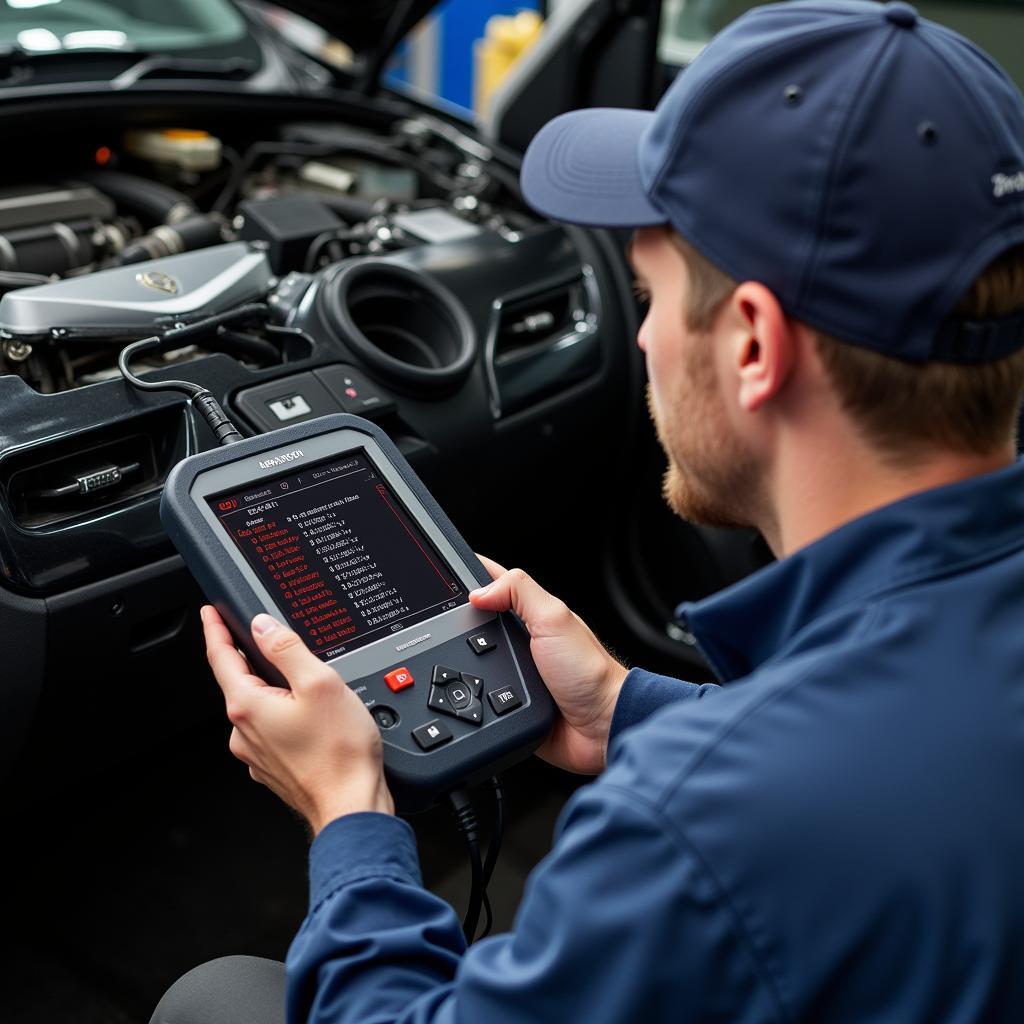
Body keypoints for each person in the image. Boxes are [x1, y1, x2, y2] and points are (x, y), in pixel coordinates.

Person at [152, 1, 1024, 1021]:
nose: (644, 337)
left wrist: (349, 812)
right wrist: (624, 709)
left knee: (215, 997)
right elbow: (882, 767)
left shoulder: (695, 834)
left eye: (647, 292)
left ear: (753, 345)